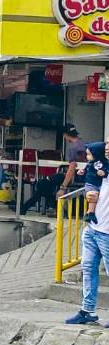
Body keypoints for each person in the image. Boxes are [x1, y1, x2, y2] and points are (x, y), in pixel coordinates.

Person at [70, 140, 109, 325]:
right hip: (94, 227)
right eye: (107, 143)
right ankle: (88, 310)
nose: (107, 147)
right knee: (87, 268)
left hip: (108, 232)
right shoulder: (100, 166)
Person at [21, 128, 88, 214]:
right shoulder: (84, 144)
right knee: (44, 186)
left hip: (73, 176)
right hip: (83, 176)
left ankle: (52, 205)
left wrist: (63, 187)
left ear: (65, 135)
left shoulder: (74, 148)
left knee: (41, 184)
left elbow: (71, 169)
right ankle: (52, 205)